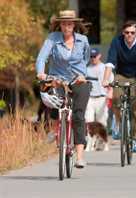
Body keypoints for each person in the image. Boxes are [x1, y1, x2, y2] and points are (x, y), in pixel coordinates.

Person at [36, 10, 91, 168]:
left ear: (74, 25)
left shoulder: (83, 40)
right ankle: (55, 129)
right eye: (64, 23)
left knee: (78, 116)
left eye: (70, 23)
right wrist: (41, 72)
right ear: (59, 25)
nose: (67, 26)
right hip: (58, 79)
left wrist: (82, 74)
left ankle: (80, 157)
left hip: (78, 80)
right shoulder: (52, 39)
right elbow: (42, 57)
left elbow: (86, 58)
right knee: (52, 101)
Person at [102, 20, 136, 153]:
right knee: (116, 100)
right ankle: (118, 124)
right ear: (123, 33)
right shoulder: (117, 42)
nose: (129, 35)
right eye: (126, 32)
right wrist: (106, 79)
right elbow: (110, 63)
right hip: (122, 75)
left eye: (132, 33)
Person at [85, 48, 113, 151]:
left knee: (102, 122)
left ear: (99, 56)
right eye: (91, 57)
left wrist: (110, 93)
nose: (93, 59)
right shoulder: (87, 69)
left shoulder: (105, 68)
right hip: (90, 98)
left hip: (102, 97)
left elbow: (111, 82)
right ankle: (89, 144)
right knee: (89, 121)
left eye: (94, 56)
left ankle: (103, 142)